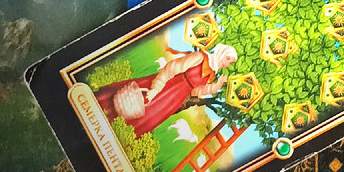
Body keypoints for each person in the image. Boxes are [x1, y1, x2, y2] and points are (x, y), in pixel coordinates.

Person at [93, 43, 238, 137]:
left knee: (147, 119)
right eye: (227, 59)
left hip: (173, 101)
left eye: (229, 63)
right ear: (221, 53)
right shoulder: (199, 57)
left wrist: (217, 86)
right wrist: (156, 89)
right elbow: (172, 68)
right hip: (166, 86)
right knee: (132, 102)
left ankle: (113, 136)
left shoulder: (212, 73)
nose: (227, 64)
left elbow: (196, 92)